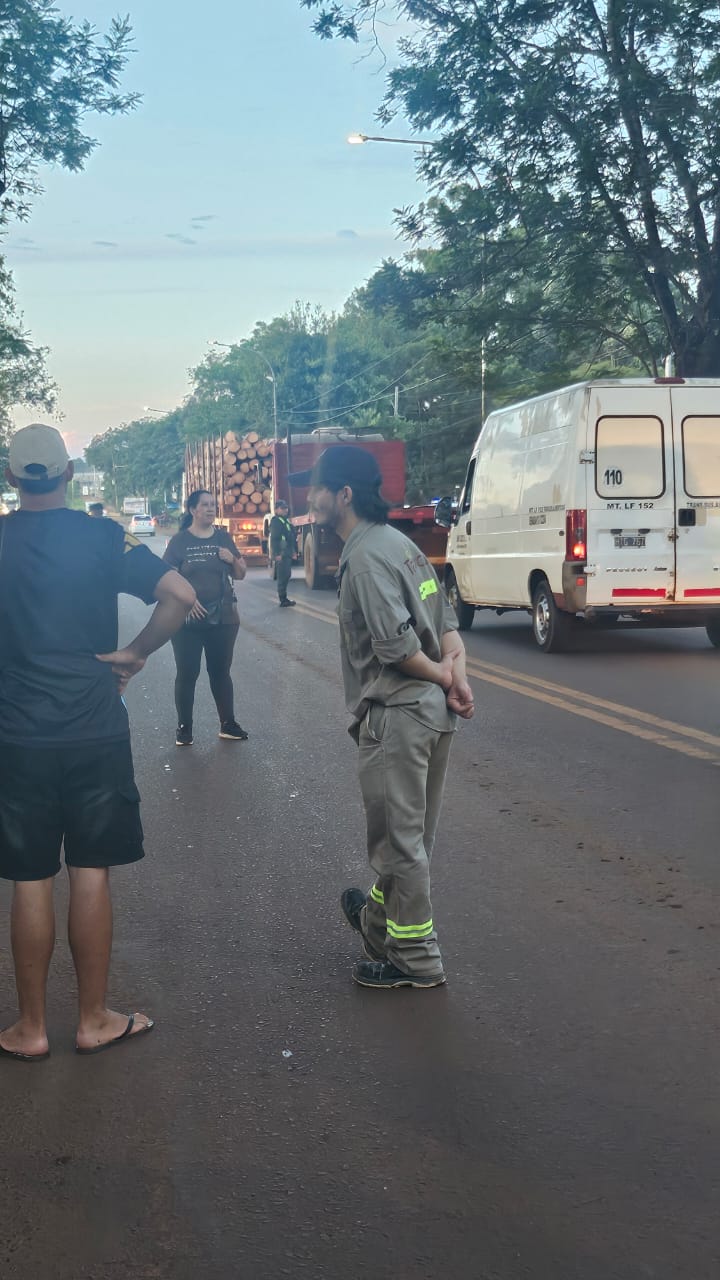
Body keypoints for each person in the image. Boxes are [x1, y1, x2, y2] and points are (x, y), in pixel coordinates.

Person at [0, 424, 195, 1060]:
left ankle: (30, 1029)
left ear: (11, 478)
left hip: (18, 736)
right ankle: (93, 1020)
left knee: (29, 878)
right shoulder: (104, 535)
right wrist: (135, 653)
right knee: (90, 870)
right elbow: (180, 595)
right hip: (92, 729)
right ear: (66, 475)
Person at [289, 446, 474, 990]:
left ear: (344, 495)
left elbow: (395, 648)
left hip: (398, 713)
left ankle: (414, 961)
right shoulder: (402, 545)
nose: (310, 497)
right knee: (410, 837)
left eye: (318, 487)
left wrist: (444, 678)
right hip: (431, 714)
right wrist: (455, 679)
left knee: (400, 842)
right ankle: (376, 923)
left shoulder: (366, 556)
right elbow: (445, 626)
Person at [163, 489, 248, 745]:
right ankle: (184, 728)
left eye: (213, 504)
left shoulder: (223, 538)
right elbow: (167, 580)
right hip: (186, 621)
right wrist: (187, 603)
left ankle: (228, 724)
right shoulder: (179, 542)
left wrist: (232, 558)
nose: (211, 509)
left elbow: (241, 573)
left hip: (223, 618)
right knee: (187, 673)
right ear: (193, 510)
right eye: (205, 505)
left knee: (220, 672)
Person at [268, 498, 297, 606]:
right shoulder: (276, 521)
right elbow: (275, 539)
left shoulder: (285, 521)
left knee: (287, 574)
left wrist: (293, 551)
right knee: (283, 576)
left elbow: (290, 537)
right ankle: (283, 599)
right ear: (276, 510)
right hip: (281, 553)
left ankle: (284, 598)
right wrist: (277, 554)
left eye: (286, 508)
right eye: (282, 508)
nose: (285, 510)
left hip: (287, 552)